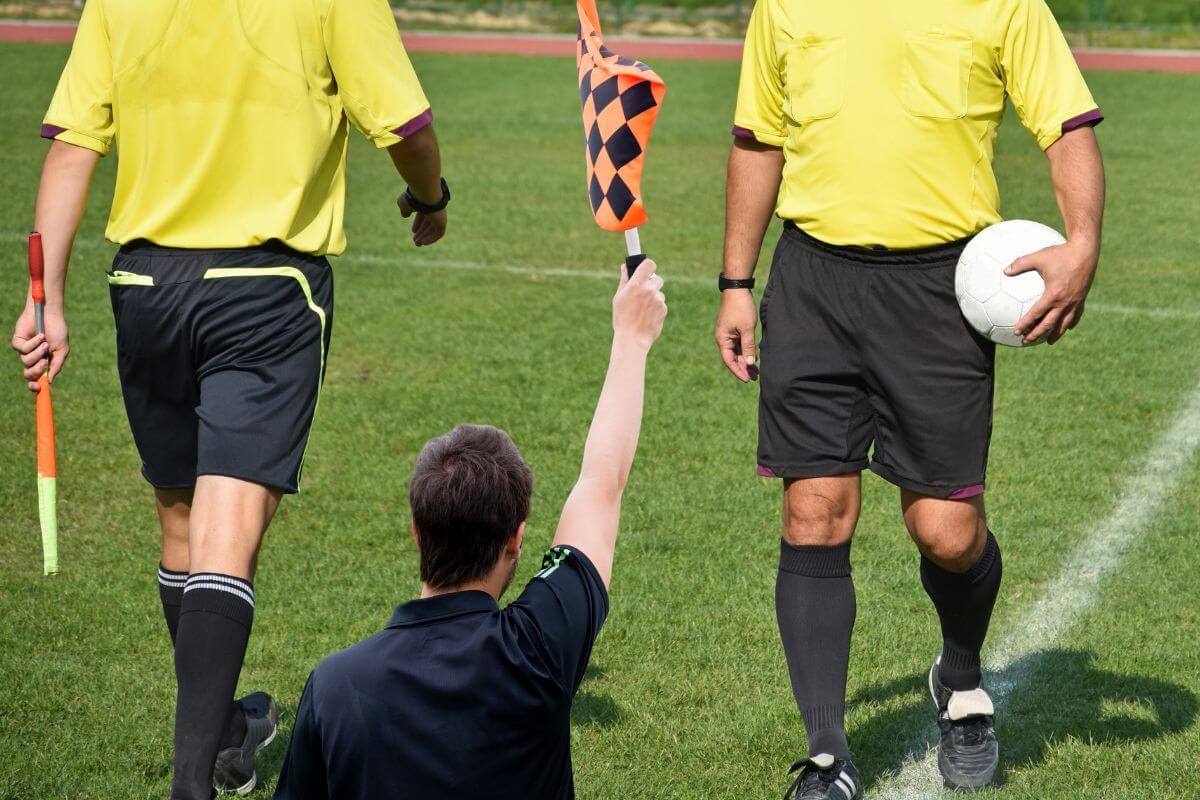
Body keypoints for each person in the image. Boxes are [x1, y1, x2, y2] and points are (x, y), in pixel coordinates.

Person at [11, 1, 449, 796]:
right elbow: (408, 128)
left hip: (144, 286)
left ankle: (225, 732)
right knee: (227, 534)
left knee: (182, 527)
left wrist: (44, 297)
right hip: (264, 289)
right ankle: (194, 783)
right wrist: (431, 196)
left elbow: (76, 141)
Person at [717, 1, 1104, 796]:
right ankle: (827, 756)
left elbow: (1067, 126)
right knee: (813, 510)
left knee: (948, 532)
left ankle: (960, 683)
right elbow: (757, 137)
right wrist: (734, 282)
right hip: (814, 282)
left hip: (940, 292)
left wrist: (1083, 243)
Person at [273, 260, 667, 800]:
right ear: (516, 539)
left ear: (416, 531)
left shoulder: (334, 687)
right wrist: (632, 339)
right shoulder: (539, 648)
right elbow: (602, 484)